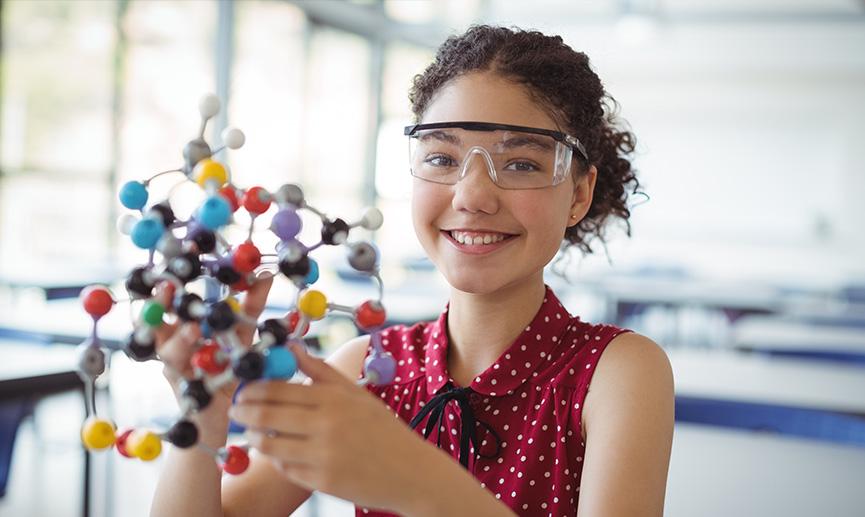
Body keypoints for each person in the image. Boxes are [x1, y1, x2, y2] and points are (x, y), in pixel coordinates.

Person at [151, 25, 673, 517]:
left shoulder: (617, 373)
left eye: (520, 164)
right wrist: (202, 417)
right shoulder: (368, 368)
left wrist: (416, 479)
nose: (471, 196)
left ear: (578, 194)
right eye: (442, 158)